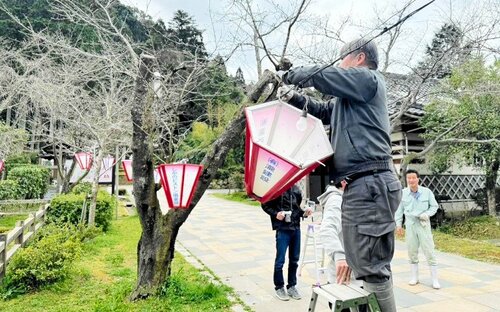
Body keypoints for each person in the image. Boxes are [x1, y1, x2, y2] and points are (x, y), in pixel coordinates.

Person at [277, 38, 402, 312]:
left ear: (358, 58)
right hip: (364, 185)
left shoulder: (369, 80)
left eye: (341, 59)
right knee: (365, 263)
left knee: (371, 267)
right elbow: (323, 111)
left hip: (370, 183)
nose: (339, 64)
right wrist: (295, 98)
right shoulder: (349, 100)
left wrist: (293, 75)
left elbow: (326, 75)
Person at [262, 184, 313, 301]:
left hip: (296, 229)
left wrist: (304, 213)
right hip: (283, 230)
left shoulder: (296, 189)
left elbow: (297, 209)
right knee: (280, 260)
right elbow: (264, 204)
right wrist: (276, 214)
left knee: (294, 260)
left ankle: (291, 286)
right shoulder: (276, 188)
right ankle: (279, 287)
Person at [395, 169, 441, 289]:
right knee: (412, 251)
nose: (411, 180)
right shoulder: (403, 193)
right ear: (406, 180)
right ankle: (414, 277)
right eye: (408, 178)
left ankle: (435, 280)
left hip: (423, 224)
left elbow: (434, 206)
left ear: (418, 179)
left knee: (429, 250)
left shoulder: (426, 192)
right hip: (410, 225)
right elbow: (399, 210)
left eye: (413, 178)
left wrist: (427, 214)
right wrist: (398, 225)